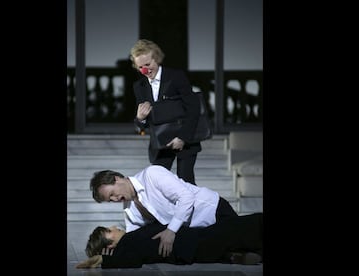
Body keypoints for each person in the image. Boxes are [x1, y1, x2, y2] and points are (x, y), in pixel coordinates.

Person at [89, 165, 238, 258]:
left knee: (247, 240)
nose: (115, 199)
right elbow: (133, 238)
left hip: (213, 210)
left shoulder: (152, 175)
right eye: (110, 200)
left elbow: (186, 197)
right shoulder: (129, 208)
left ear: (117, 179)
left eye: (112, 194)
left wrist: (170, 230)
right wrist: (114, 253)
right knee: (226, 249)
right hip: (198, 230)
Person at [76, 213, 263, 269]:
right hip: (196, 243)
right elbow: (133, 260)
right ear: (111, 245)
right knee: (249, 225)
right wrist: (105, 260)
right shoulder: (129, 244)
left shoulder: (131, 239)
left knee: (241, 231)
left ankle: (235, 255)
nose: (114, 228)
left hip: (196, 240)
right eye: (109, 231)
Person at [130, 39, 202, 185]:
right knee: (158, 184)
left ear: (156, 58)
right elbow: (141, 127)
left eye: (148, 64)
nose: (145, 70)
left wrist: (182, 138)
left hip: (185, 139)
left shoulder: (176, 77)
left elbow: (193, 109)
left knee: (186, 183)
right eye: (140, 67)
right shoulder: (139, 86)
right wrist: (140, 118)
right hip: (160, 144)